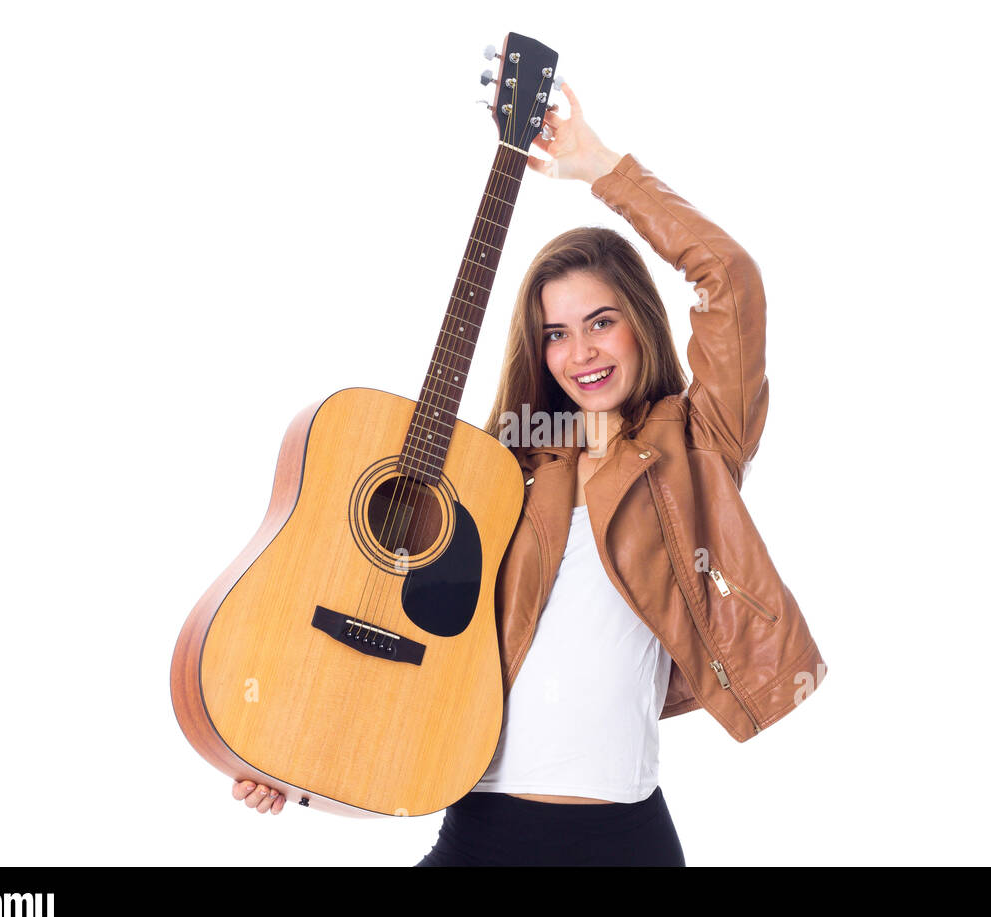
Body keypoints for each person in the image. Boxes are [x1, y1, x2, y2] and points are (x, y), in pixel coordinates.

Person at [232, 83, 825, 865]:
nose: (580, 352)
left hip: (627, 835)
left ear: (639, 324)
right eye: (556, 333)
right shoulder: (499, 469)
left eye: (601, 322)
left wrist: (604, 169)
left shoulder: (697, 445)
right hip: (482, 826)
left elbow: (732, 281)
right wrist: (286, 753)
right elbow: (387, 622)